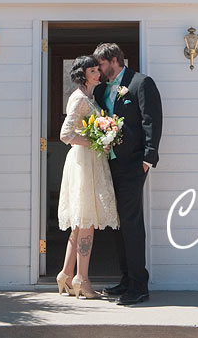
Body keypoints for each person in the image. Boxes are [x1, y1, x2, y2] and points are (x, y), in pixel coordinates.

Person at [93, 42, 162, 305]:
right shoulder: (101, 90)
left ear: (113, 60)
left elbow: (150, 120)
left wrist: (148, 157)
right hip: (108, 163)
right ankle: (125, 279)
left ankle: (139, 285)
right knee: (117, 222)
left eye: (100, 64)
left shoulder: (141, 83)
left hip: (134, 165)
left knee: (131, 222)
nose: (98, 70)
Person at [57, 55, 119, 299]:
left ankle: (65, 273)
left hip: (90, 161)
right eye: (92, 70)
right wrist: (95, 142)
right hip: (83, 162)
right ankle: (81, 279)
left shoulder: (90, 97)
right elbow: (65, 134)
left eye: (97, 69)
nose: (97, 73)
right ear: (82, 74)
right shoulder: (79, 99)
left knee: (80, 222)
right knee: (87, 222)